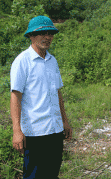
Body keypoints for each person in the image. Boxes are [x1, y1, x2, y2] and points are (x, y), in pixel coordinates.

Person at [10, 15, 72, 179]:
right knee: (34, 175)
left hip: (55, 129)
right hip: (35, 132)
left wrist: (64, 121)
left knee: (52, 173)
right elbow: (15, 97)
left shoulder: (52, 61)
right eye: (42, 33)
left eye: (50, 33)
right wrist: (17, 131)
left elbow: (57, 92)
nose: (47, 37)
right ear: (31, 36)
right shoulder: (22, 61)